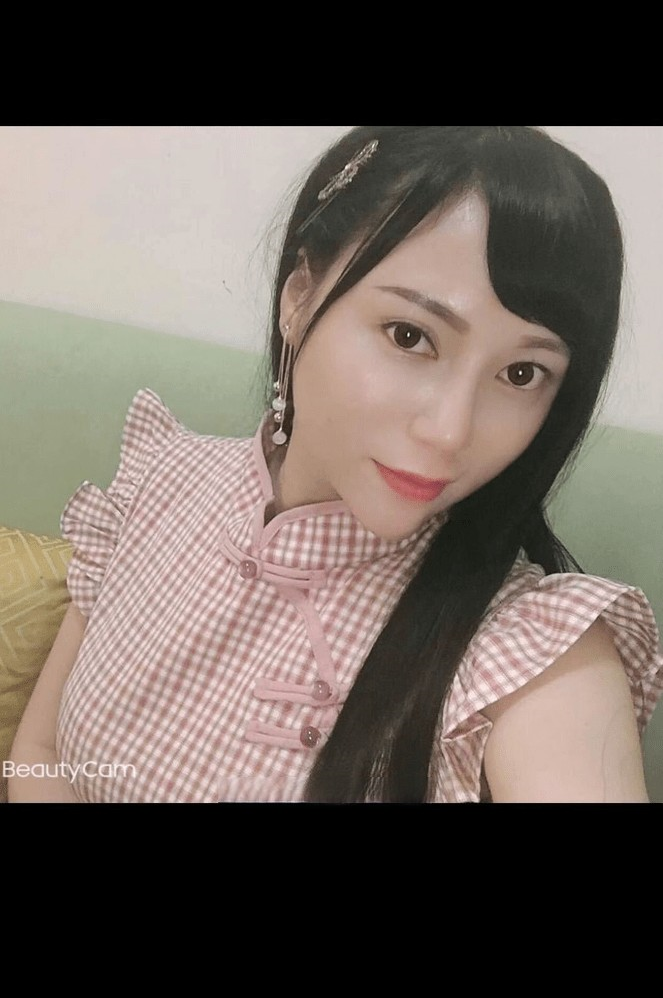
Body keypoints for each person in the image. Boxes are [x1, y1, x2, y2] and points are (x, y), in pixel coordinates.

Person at [8, 125, 663, 804]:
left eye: (521, 373)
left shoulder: (532, 655)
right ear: (299, 298)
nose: (449, 432)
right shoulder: (159, 482)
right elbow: (41, 755)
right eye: (410, 336)